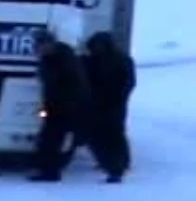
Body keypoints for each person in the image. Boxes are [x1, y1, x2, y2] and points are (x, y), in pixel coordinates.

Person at [30, 29, 89, 182]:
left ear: (49, 43)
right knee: (49, 139)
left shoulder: (63, 60)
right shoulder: (52, 58)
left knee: (51, 140)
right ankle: (47, 170)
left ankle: (49, 172)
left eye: (41, 45)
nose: (38, 49)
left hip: (63, 107)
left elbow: (70, 85)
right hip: (55, 106)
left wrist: (67, 106)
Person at [82, 31, 136, 183]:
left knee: (111, 134)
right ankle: (115, 163)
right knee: (110, 134)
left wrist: (118, 97)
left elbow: (128, 82)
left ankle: (117, 165)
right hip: (106, 103)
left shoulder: (118, 60)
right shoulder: (118, 59)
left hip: (111, 103)